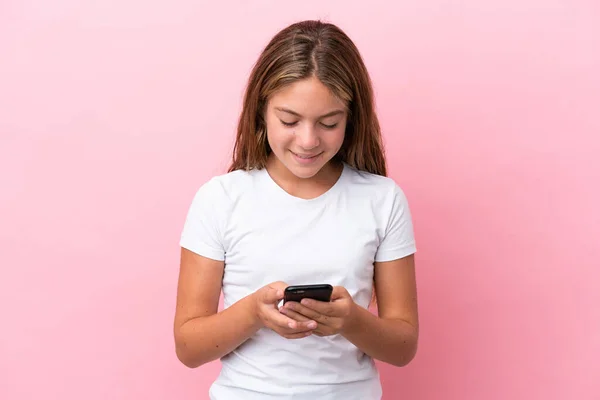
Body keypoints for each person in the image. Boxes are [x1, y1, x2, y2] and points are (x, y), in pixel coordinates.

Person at [173, 19, 419, 400]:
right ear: (261, 111)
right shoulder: (221, 199)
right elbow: (189, 347)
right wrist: (254, 312)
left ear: (351, 119)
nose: (308, 141)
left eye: (329, 123)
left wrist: (350, 320)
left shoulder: (382, 200)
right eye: (289, 120)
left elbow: (403, 346)